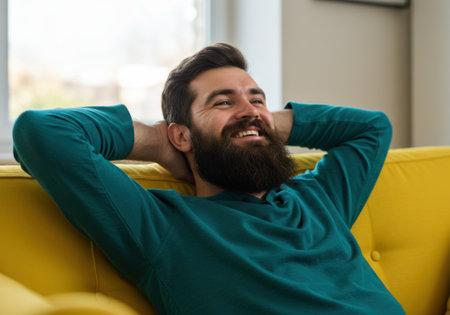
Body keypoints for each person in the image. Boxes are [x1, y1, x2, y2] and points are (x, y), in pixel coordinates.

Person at [12, 43, 405, 314]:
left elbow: (373, 128)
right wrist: (158, 142)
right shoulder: (164, 226)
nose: (248, 109)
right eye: (223, 101)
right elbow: (40, 132)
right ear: (182, 134)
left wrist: (263, 122)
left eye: (256, 97)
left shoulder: (320, 199)